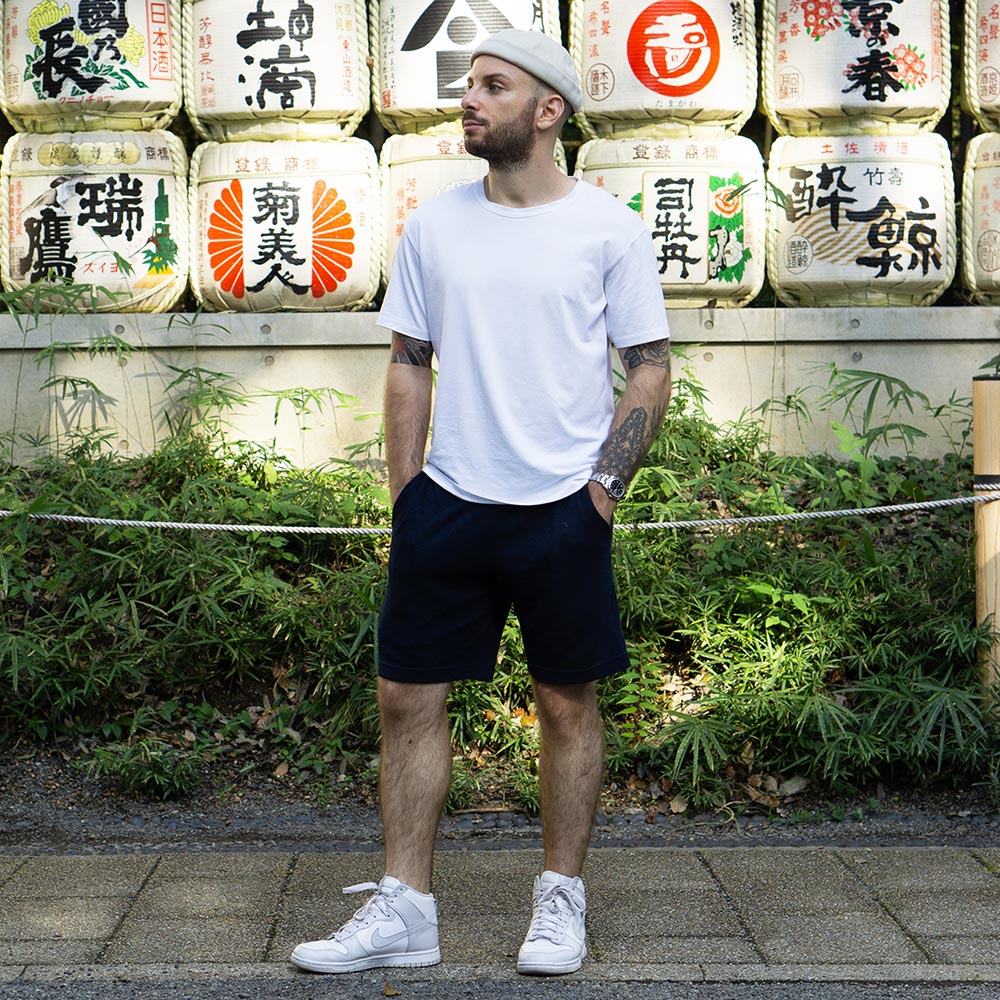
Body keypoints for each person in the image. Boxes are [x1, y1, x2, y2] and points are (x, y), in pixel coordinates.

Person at [291, 28, 671, 977]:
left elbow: (649, 368)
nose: (470, 99)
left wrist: (602, 492)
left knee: (566, 701)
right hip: (449, 501)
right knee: (405, 696)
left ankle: (560, 900)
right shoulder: (435, 227)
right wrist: (406, 496)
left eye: (494, 86)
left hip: (564, 506)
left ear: (547, 111)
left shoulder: (609, 228)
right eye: (470, 84)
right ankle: (405, 909)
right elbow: (408, 362)